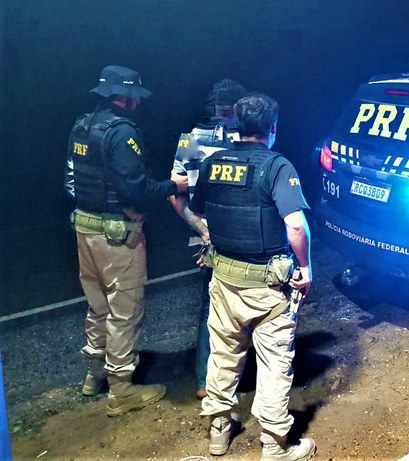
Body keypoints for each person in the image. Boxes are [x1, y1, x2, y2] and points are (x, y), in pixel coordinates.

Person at [189, 93, 316, 459]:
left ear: (236, 125)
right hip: (268, 288)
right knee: (274, 363)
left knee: (223, 355)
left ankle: (218, 432)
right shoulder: (277, 167)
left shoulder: (213, 164)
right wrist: (305, 268)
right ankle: (274, 445)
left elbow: (202, 214)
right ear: (272, 128)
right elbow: (295, 226)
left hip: (224, 281)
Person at [64, 65, 189, 416]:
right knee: (124, 311)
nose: (138, 103)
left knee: (97, 306)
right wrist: (175, 186)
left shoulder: (82, 125)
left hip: (85, 229)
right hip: (116, 236)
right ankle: (121, 390)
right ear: (127, 97)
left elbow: (71, 180)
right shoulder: (122, 133)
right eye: (136, 96)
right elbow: (137, 189)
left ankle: (94, 375)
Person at [168, 79, 247, 400]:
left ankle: (206, 380)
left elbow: (175, 195)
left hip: (207, 240)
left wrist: (201, 230)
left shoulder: (190, 139)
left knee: (210, 308)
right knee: (246, 305)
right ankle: (232, 379)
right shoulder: (245, 139)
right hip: (239, 238)